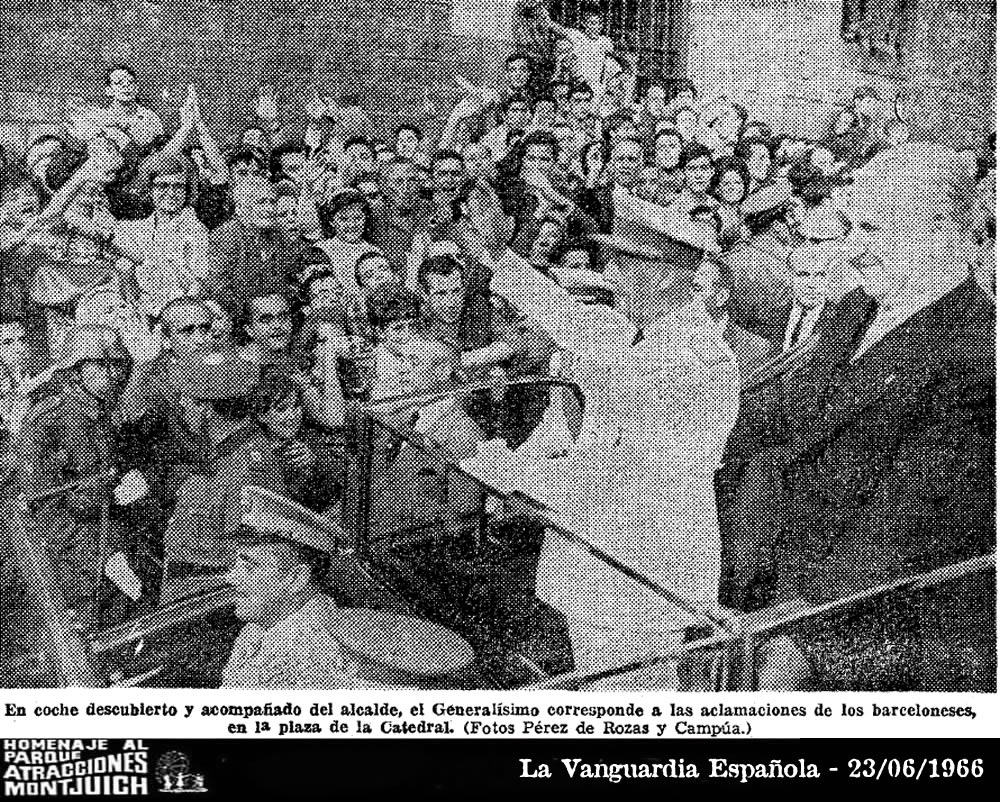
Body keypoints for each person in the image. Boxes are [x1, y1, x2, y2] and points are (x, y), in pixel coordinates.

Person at [725, 143, 995, 691]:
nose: (851, 243)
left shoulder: (976, 356)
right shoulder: (847, 312)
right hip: (757, 604)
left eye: (873, 227)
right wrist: (743, 604)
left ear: (953, 235)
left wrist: (791, 631)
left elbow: (904, 539)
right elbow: (756, 435)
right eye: (851, 223)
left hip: (839, 639)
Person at [17, 324, 136, 628]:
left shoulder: (97, 408)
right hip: (71, 533)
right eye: (101, 364)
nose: (111, 374)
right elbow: (67, 495)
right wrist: (116, 490)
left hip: (100, 525)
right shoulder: (64, 416)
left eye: (116, 364)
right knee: (98, 613)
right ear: (78, 368)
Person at [219, 487, 359, 689]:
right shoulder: (262, 627)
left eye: (249, 565)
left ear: (296, 578)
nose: (230, 577)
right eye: (235, 565)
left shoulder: (304, 652)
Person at [113, 158, 210, 318]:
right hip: (137, 314)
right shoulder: (132, 229)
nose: (171, 193)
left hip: (179, 315)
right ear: (150, 189)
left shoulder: (196, 230)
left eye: (178, 187)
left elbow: (199, 282)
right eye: (163, 185)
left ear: (187, 191)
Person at [204, 176, 301, 332]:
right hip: (235, 322)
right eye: (262, 202)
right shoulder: (227, 234)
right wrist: (251, 315)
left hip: (275, 320)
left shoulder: (279, 235)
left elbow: (292, 277)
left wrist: (280, 308)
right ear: (243, 207)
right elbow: (218, 286)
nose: (269, 209)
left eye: (272, 202)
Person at [691, 254, 774, 384]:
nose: (691, 298)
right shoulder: (676, 337)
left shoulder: (755, 349)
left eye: (698, 290)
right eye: (692, 289)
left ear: (721, 297)